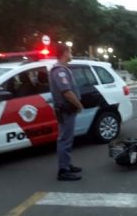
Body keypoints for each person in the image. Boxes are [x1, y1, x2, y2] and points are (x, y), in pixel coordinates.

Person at [49, 44, 84, 181]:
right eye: (70, 51)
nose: (71, 54)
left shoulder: (63, 69)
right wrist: (79, 104)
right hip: (66, 109)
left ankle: (67, 164)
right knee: (65, 139)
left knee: (67, 138)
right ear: (64, 53)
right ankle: (63, 170)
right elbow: (67, 92)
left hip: (67, 109)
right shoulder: (59, 71)